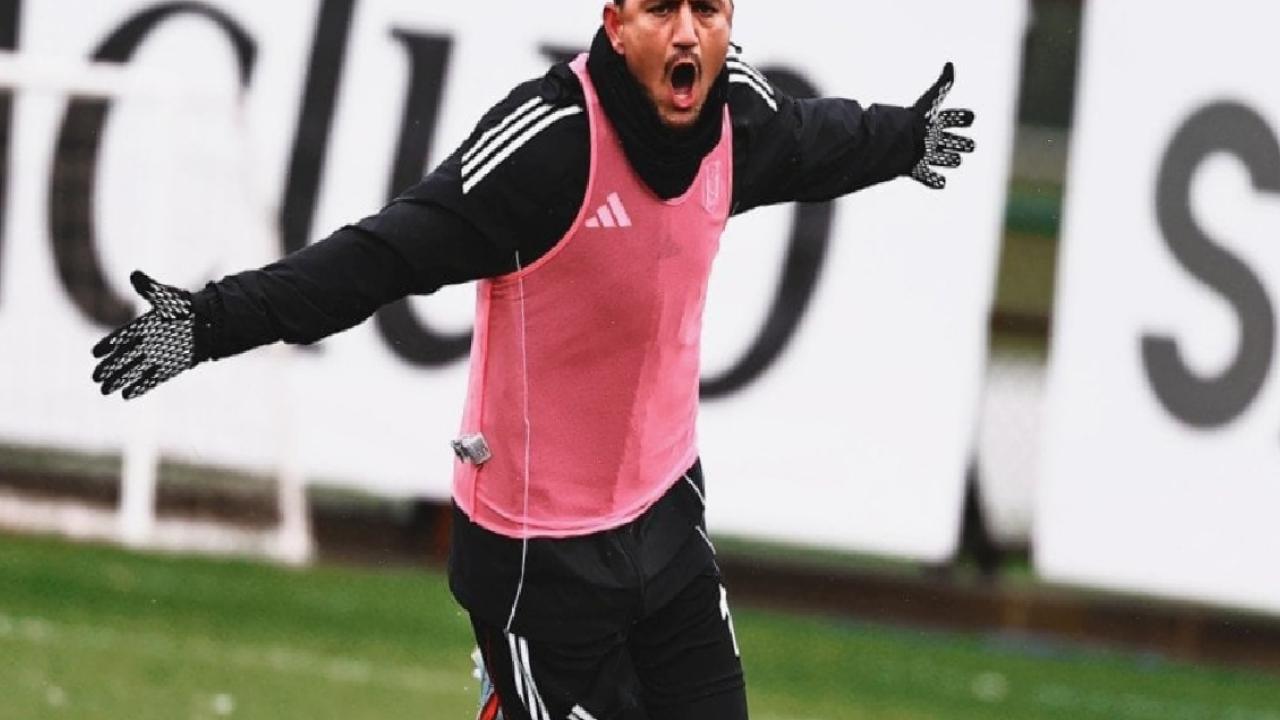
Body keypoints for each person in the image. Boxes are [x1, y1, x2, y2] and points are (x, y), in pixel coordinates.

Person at [91, 0, 975, 716]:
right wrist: (206, 322)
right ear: (615, 22)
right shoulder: (547, 147)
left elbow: (816, 140)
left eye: (706, 10)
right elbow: (377, 258)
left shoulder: (738, 115)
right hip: (535, 554)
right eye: (660, 9)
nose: (686, 33)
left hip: (667, 517)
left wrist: (907, 138)